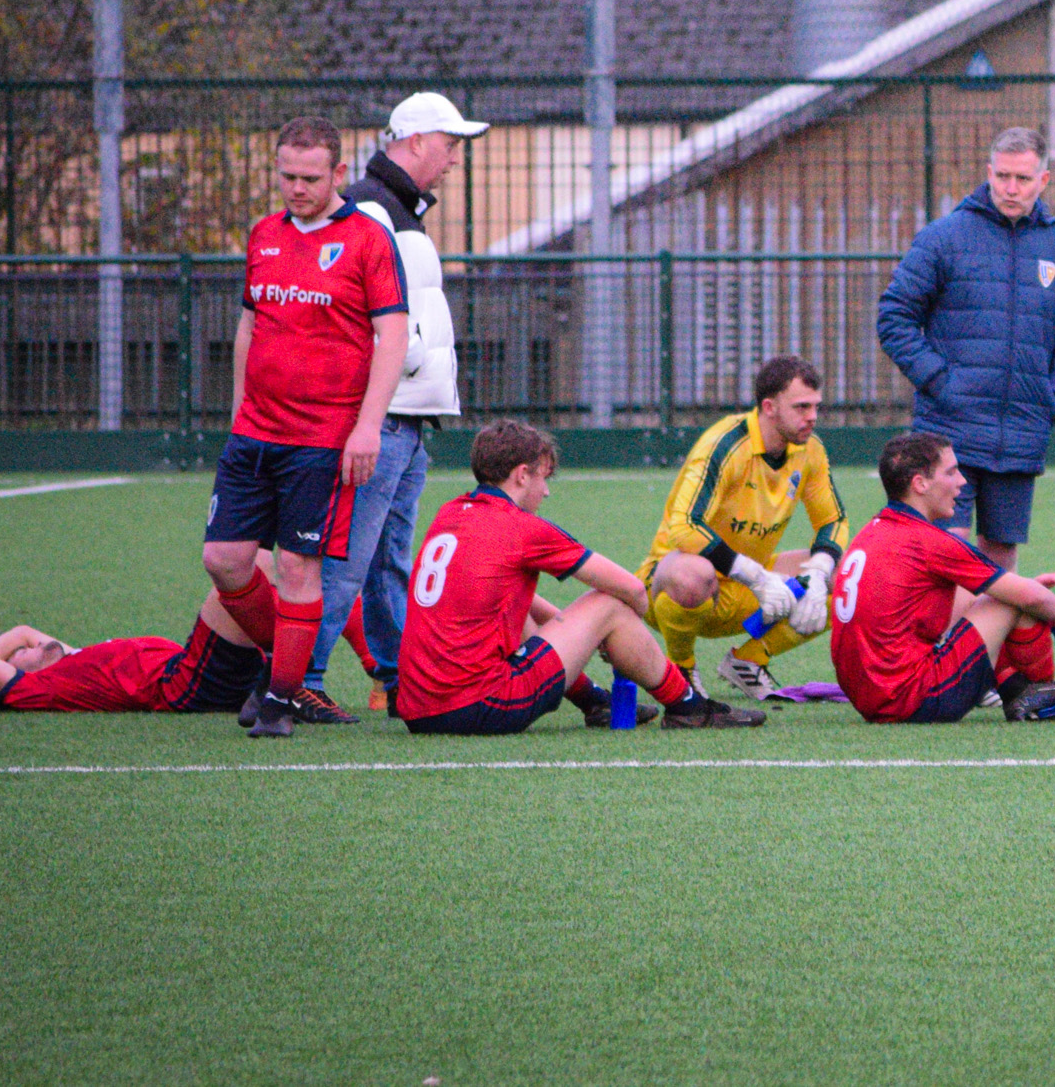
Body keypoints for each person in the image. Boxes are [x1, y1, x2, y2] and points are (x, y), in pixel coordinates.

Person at [203, 114, 410, 739]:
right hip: (255, 434)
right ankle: (286, 666)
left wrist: (368, 427)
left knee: (297, 568)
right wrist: (240, 410)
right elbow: (248, 328)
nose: (297, 188)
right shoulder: (264, 235)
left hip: (321, 439)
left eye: (310, 178)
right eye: (288, 176)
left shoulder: (368, 239)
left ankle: (281, 699)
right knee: (226, 561)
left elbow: (392, 336)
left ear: (338, 172)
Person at [302, 90, 490, 720]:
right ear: (415, 142)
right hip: (381, 417)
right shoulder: (373, 209)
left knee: (384, 561)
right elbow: (361, 311)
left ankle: (396, 677)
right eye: (449, 144)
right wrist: (404, 366)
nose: (454, 158)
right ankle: (299, 679)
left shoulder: (391, 208)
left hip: (404, 415)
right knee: (350, 557)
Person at [397, 420, 761, 734]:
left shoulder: (450, 513)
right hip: (478, 707)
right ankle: (688, 706)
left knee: (517, 609)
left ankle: (594, 702)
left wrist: (579, 633)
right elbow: (631, 588)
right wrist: (615, 625)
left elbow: (511, 601)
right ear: (522, 474)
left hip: (418, 711)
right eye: (544, 477)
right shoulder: (520, 527)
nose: (547, 490)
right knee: (610, 604)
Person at [875, 126, 1055, 577]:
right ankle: (937, 649)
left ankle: (984, 651)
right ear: (988, 172)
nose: (1011, 188)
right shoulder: (944, 237)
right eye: (1003, 176)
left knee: (1001, 560)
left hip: (1022, 430)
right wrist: (942, 384)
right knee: (946, 554)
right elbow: (894, 317)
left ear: (1044, 181)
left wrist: (1054, 398)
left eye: (1023, 179)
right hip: (950, 431)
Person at [827, 432, 1055, 723]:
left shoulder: (870, 532)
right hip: (911, 700)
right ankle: (1034, 697)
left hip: (870, 699)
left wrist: (1029, 592)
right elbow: (1030, 597)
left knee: (991, 591)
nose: (961, 481)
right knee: (1018, 601)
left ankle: (1016, 688)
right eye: (951, 472)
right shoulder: (928, 540)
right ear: (920, 484)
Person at [638, 355, 850, 701]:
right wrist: (757, 577)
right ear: (769, 407)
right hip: (672, 586)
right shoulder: (724, 445)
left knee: (848, 575)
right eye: (801, 407)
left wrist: (817, 573)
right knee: (693, 574)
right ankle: (681, 669)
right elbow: (684, 527)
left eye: (815, 406)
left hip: (750, 589)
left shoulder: (810, 450)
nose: (812, 416)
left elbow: (833, 520)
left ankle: (749, 661)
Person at [0, 585, 266, 714]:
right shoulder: (37, 687)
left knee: (255, 576)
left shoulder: (72, 658)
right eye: (14, 657)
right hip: (187, 683)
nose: (23, 647)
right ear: (15, 673)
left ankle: (284, 685)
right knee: (234, 573)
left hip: (194, 670)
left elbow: (22, 632)